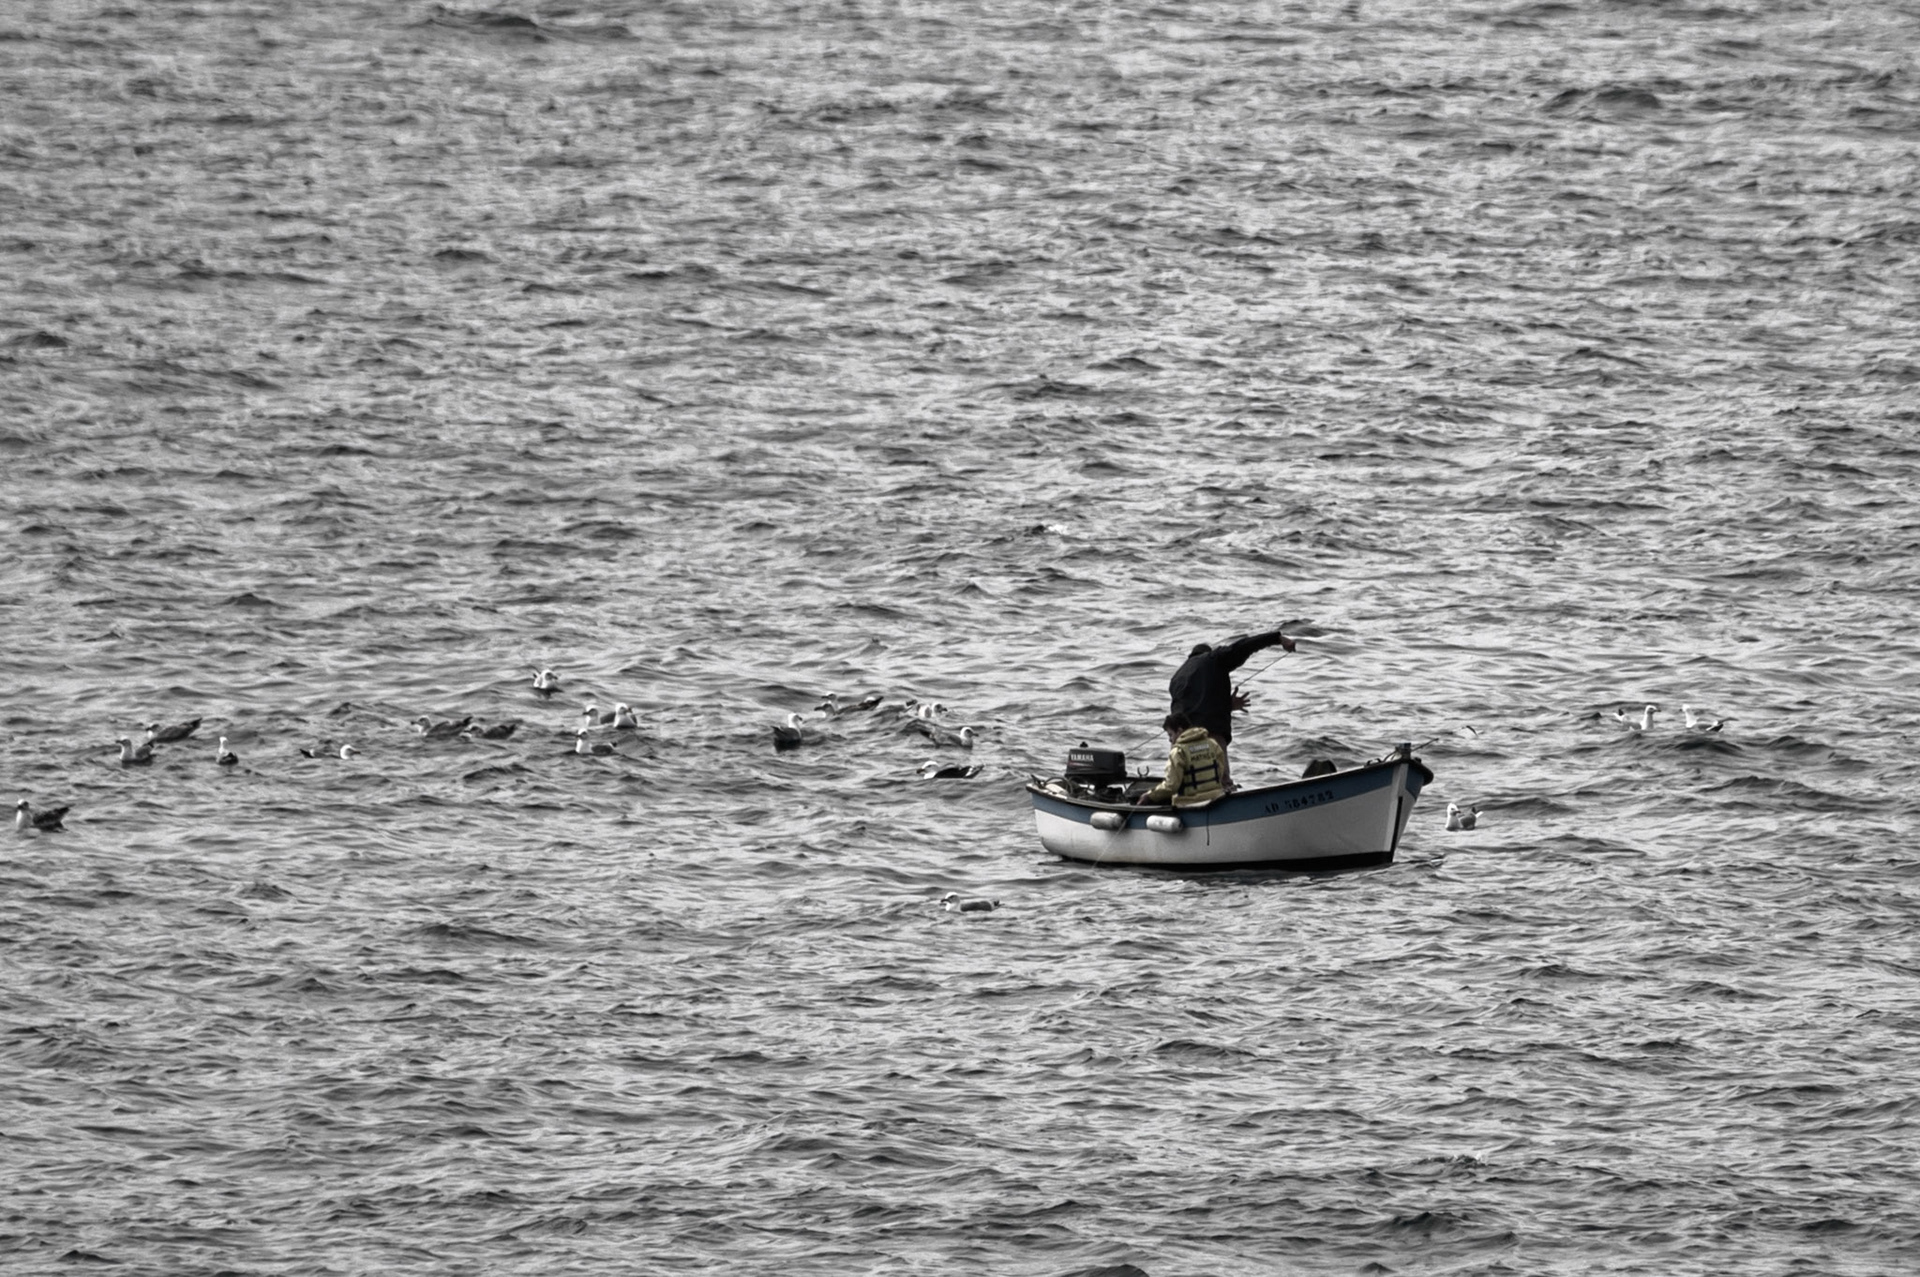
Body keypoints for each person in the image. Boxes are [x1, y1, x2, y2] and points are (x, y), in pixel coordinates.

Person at [1167, 626, 1295, 785]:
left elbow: (1188, 707)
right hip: (1211, 735)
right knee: (1222, 782)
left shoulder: (1177, 677)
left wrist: (1226, 704)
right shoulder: (1214, 658)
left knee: (1187, 784)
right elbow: (1244, 645)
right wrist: (1278, 639)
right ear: (1207, 653)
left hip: (1181, 740)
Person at [1135, 712, 1227, 807]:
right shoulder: (1212, 744)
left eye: (1170, 735)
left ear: (1179, 731)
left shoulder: (1178, 751)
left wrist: (1149, 796)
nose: (1170, 740)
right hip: (1216, 798)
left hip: (1189, 802)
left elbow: (1171, 786)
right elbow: (1220, 770)